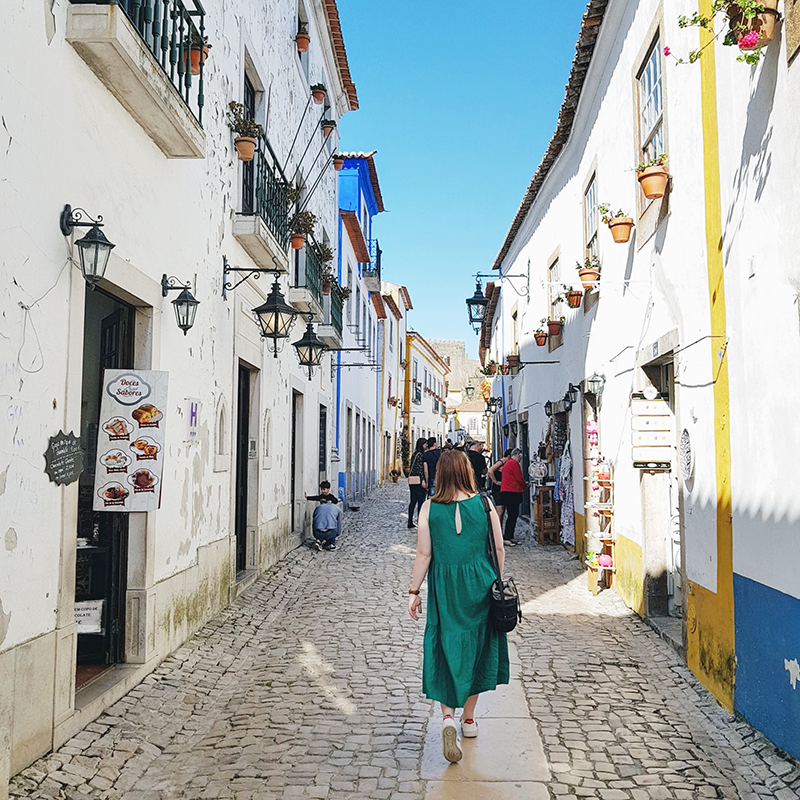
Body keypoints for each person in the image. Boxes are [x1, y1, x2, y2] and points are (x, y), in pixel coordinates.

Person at [408, 449, 508, 763]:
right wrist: (496, 580)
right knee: (477, 647)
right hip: (480, 582)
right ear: (467, 472)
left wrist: (414, 591)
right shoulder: (485, 504)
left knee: (444, 643)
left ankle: (448, 718)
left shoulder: (428, 508)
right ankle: (468, 719)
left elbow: (424, 554)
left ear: (440, 474)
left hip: (444, 585)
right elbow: (499, 548)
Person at [500, 448, 527, 546]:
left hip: (507, 492)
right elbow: (518, 478)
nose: (520, 459)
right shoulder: (514, 464)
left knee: (512, 515)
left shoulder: (508, 463)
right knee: (512, 515)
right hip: (512, 492)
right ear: (516, 456)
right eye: (519, 457)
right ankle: (508, 536)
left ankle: (509, 536)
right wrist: (525, 485)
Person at [487, 449, 512, 524]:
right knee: (500, 511)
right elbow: (490, 471)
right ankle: (497, 531)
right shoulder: (502, 461)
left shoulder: (508, 463)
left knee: (502, 511)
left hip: (504, 489)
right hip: (498, 489)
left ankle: (499, 530)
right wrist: (495, 481)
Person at [407, 438, 428, 528]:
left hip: (412, 481)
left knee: (412, 501)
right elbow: (420, 469)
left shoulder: (414, 454)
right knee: (420, 501)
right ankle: (420, 521)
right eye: (425, 444)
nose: (426, 445)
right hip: (419, 481)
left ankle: (410, 520)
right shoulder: (420, 455)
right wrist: (423, 480)